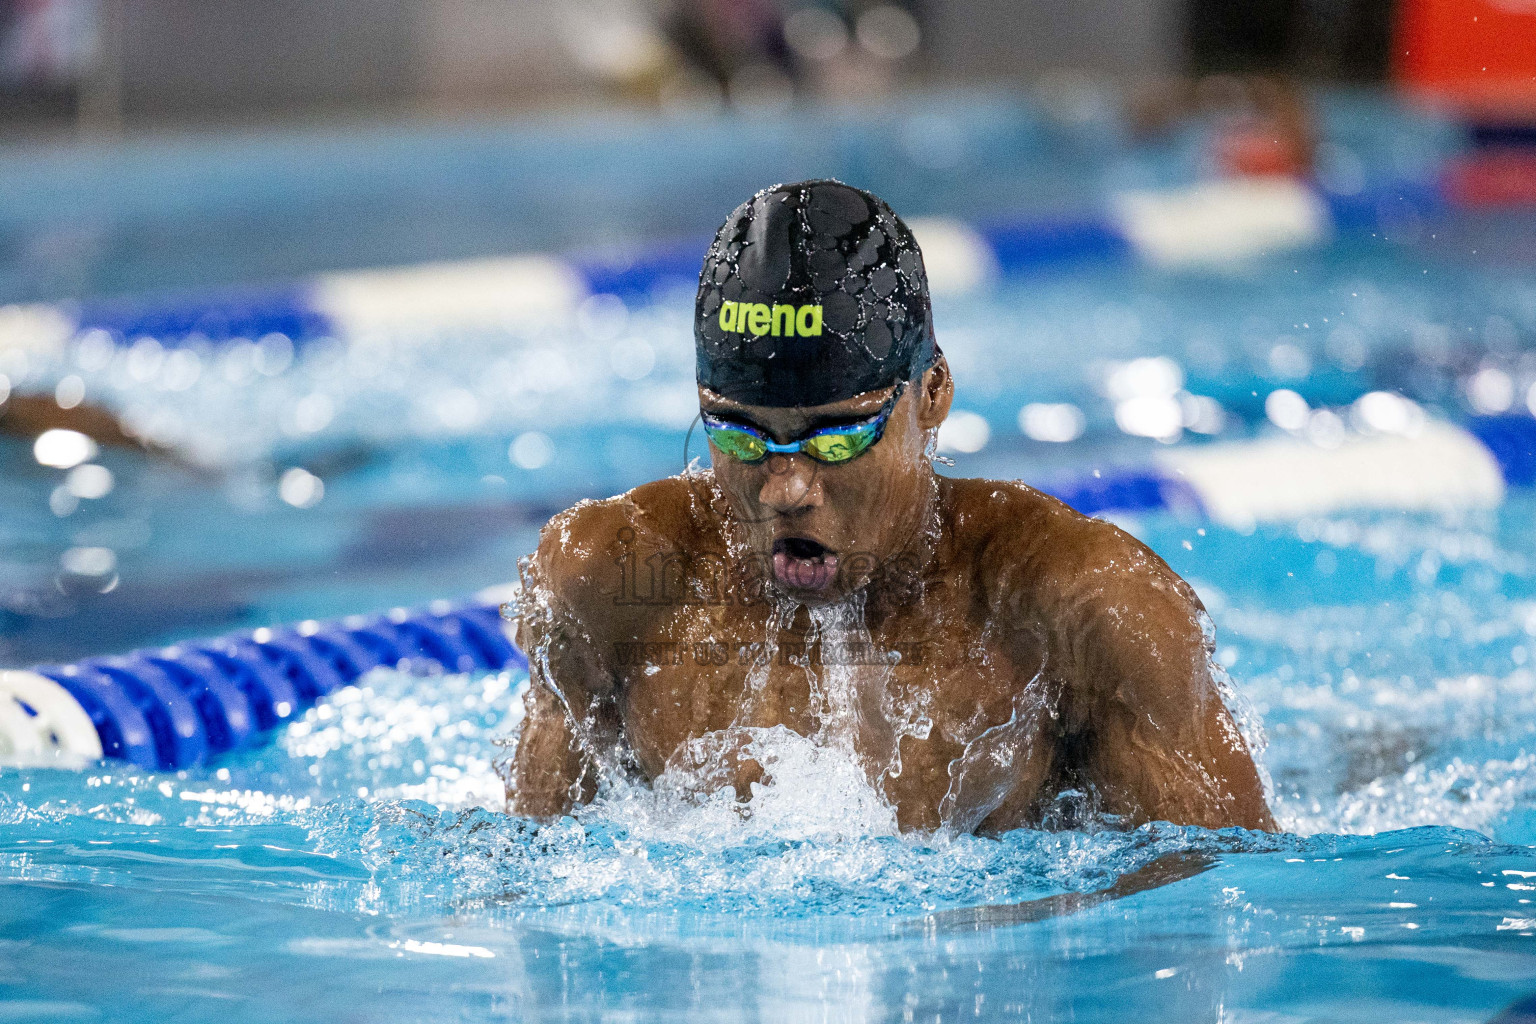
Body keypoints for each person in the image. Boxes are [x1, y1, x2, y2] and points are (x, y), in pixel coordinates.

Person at [505, 180, 1274, 834]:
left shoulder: (1084, 609)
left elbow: (1214, 913)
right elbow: (531, 890)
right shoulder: (603, 583)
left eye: (837, 437)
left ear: (931, 394)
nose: (785, 487)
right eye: (739, 433)